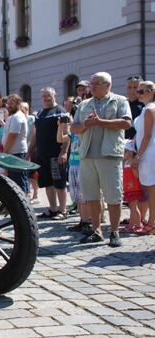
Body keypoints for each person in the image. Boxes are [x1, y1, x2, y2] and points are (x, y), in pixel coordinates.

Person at [71, 72, 132, 247]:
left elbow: (126, 123)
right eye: (92, 83)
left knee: (113, 195)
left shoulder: (120, 101)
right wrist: (85, 125)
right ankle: (96, 230)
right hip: (87, 154)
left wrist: (100, 122)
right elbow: (74, 128)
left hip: (109, 154)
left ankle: (114, 232)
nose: (93, 86)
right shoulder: (84, 104)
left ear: (108, 85)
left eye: (98, 83)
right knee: (91, 196)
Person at [29, 87, 69, 220]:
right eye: (43, 96)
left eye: (48, 95)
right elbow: (35, 135)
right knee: (47, 183)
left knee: (59, 183)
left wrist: (64, 152)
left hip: (56, 154)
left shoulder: (61, 112)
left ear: (54, 95)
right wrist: (29, 152)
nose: (46, 98)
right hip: (42, 154)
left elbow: (67, 134)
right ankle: (52, 208)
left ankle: (63, 210)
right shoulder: (40, 113)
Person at [131, 80, 155, 234]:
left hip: (149, 153)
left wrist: (137, 157)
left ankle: (152, 222)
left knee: (152, 190)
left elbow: (147, 136)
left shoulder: (149, 110)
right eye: (137, 91)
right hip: (147, 151)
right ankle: (152, 221)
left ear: (151, 92)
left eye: (141, 91)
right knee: (150, 190)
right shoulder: (146, 109)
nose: (137, 94)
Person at [2, 94, 29, 193]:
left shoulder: (17, 117)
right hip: (13, 153)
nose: (8, 105)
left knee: (18, 181)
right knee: (14, 181)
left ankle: (22, 206)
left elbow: (13, 136)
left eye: (11, 103)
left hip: (16, 153)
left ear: (18, 103)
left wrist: (5, 152)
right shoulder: (13, 116)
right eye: (7, 103)